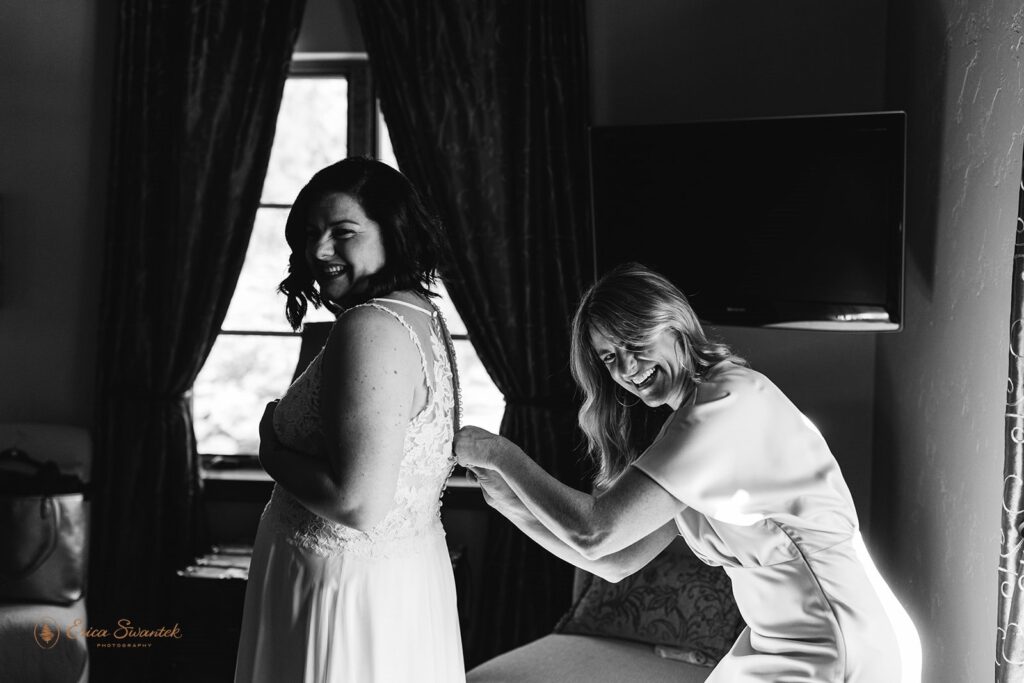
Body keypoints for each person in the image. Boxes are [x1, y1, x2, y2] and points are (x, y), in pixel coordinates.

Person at [455, 262, 921, 682]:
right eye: (609, 358)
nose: (627, 369)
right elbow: (618, 562)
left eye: (633, 342)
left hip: (837, 635)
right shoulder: (691, 421)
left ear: (675, 325)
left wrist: (500, 453)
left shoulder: (723, 407)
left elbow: (597, 533)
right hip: (777, 638)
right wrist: (510, 504)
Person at [234, 157, 465, 683]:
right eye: (312, 234)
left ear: (394, 233)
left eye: (343, 232)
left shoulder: (371, 327)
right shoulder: (419, 314)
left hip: (338, 593)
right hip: (394, 583)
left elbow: (357, 503)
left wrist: (272, 452)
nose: (318, 250)